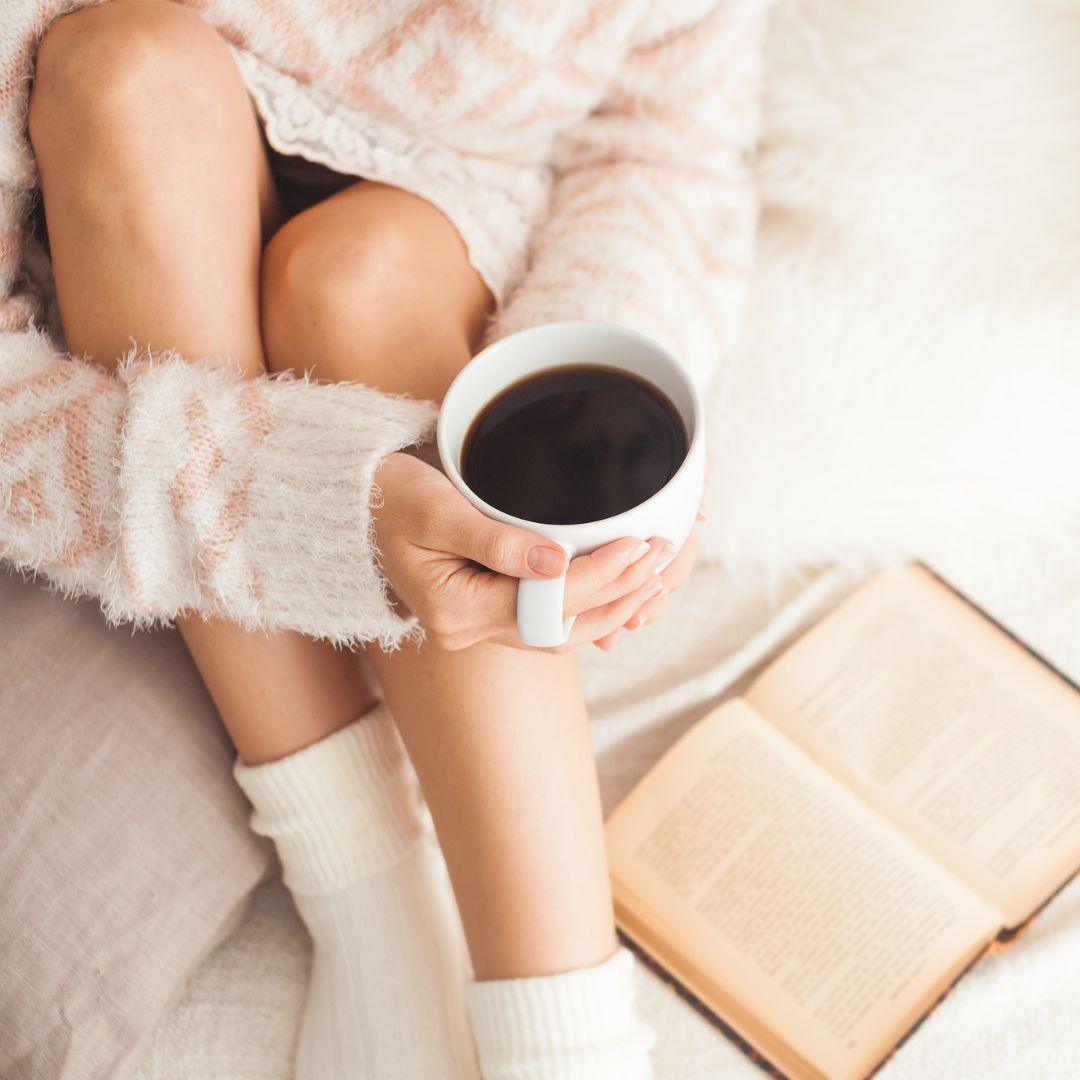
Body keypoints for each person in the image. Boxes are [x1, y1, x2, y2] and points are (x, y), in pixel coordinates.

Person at [2, 1, 762, 1075]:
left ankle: (571, 1040)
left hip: (443, 212)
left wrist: (610, 396)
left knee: (353, 275)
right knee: (121, 76)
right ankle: (369, 906)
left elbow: (665, 145)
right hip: (107, 216)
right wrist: (317, 515)